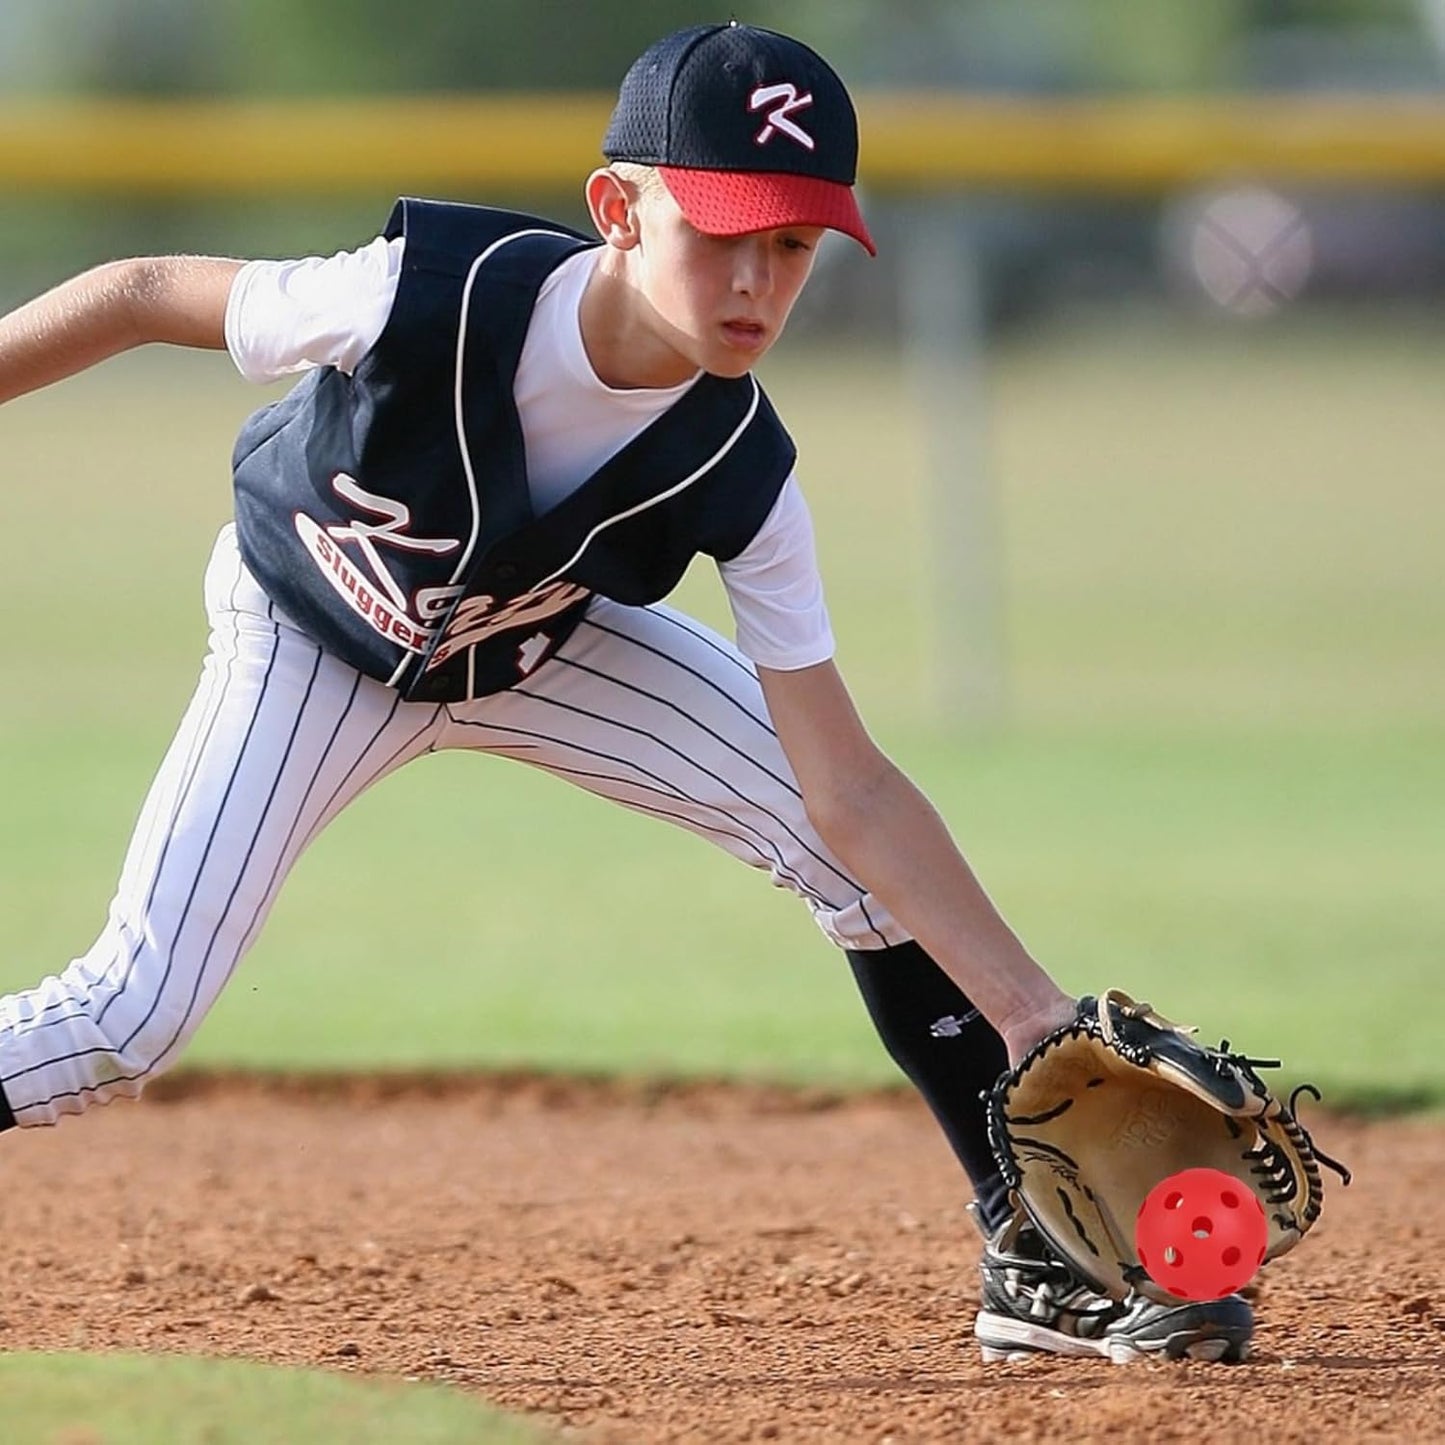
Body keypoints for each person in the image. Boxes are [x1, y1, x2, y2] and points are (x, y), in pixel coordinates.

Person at [0, 22, 1251, 1363]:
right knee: (134, 1010)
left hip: (536, 646)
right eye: (721, 231)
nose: (756, 280)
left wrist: (1032, 1015)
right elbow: (138, 287)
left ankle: (1031, 1252)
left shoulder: (745, 468)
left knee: (864, 868)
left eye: (792, 244)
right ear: (617, 208)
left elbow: (852, 788)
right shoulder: (426, 293)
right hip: (309, 632)